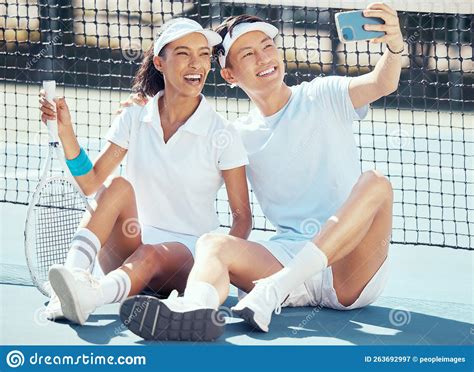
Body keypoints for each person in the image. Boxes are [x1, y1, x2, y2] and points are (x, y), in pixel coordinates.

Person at [119, 2, 403, 340]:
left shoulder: (323, 95)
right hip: (285, 256)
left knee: (376, 183)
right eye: (249, 53)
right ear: (229, 74)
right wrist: (148, 114)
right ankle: (194, 311)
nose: (264, 58)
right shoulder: (233, 135)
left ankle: (272, 291)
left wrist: (394, 45)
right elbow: (176, 158)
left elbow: (383, 82)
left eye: (268, 47)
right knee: (213, 243)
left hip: (349, 271)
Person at [39, 18, 251, 338]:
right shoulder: (135, 115)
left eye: (204, 54)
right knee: (117, 186)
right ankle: (70, 281)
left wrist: (218, 266)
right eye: (183, 53)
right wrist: (66, 132)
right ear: (159, 62)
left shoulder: (223, 134)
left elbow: (243, 218)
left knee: (152, 254)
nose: (197, 64)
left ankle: (90, 296)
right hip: (128, 248)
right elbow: (91, 183)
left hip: (188, 261)